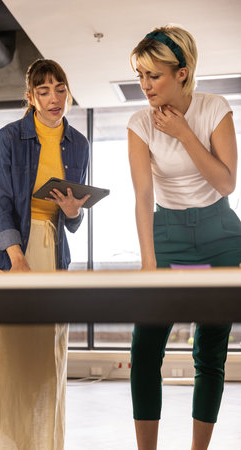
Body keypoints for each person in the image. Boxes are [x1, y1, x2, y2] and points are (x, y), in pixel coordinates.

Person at [127, 25, 241, 450]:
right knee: (144, 351)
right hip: (167, 231)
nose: (145, 85)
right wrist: (148, 262)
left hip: (221, 232)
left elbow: (227, 183)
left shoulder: (214, 108)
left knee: (209, 352)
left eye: (152, 75)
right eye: (140, 75)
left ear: (182, 72)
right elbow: (142, 196)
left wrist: (184, 134)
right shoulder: (139, 121)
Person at [0, 59, 90, 450]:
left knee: (46, 356)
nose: (54, 98)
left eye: (60, 89)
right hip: (10, 251)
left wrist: (74, 213)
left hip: (53, 249)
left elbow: (71, 217)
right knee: (9, 357)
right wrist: (17, 261)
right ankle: (1, 443)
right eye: (44, 91)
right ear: (31, 98)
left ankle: (42, 442)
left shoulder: (79, 144)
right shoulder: (9, 138)